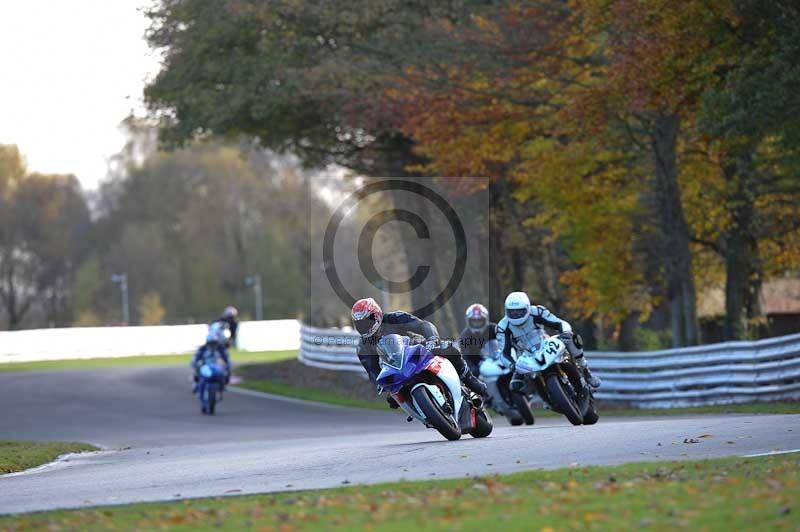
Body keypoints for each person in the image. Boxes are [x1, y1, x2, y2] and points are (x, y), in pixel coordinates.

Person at [351, 297, 488, 408]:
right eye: (360, 324)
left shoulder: (395, 318)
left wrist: (432, 339)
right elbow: (373, 371)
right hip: (396, 368)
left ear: (376, 315)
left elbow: (423, 325)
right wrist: (384, 387)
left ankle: (468, 378)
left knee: (447, 347)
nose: (364, 327)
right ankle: (424, 412)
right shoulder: (363, 347)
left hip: (418, 350)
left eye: (367, 322)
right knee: (393, 400)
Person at [496, 291, 601, 390]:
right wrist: (512, 365)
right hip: (525, 356)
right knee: (516, 386)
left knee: (572, 338)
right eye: (512, 311)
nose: (515, 314)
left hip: (546, 344)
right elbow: (503, 352)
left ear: (527, 308)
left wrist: (565, 332)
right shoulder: (502, 327)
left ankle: (586, 371)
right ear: (506, 310)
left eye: (519, 311)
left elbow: (558, 323)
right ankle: (542, 397)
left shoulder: (537, 311)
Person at [459, 303, 501, 376]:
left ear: (485, 320)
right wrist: (473, 369)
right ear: (469, 321)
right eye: (474, 321)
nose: (477, 324)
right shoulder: (465, 336)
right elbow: (465, 357)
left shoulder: (494, 328)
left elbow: (505, 340)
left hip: (497, 360)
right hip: (479, 366)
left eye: (479, 321)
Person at [191, 322, 232, 394]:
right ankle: (197, 384)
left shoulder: (220, 348)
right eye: (211, 343)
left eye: (214, 343)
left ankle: (222, 386)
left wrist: (228, 364)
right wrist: (194, 363)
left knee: (224, 372)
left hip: (216, 366)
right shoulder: (203, 348)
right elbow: (196, 357)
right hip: (205, 366)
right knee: (198, 372)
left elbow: (226, 357)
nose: (212, 345)